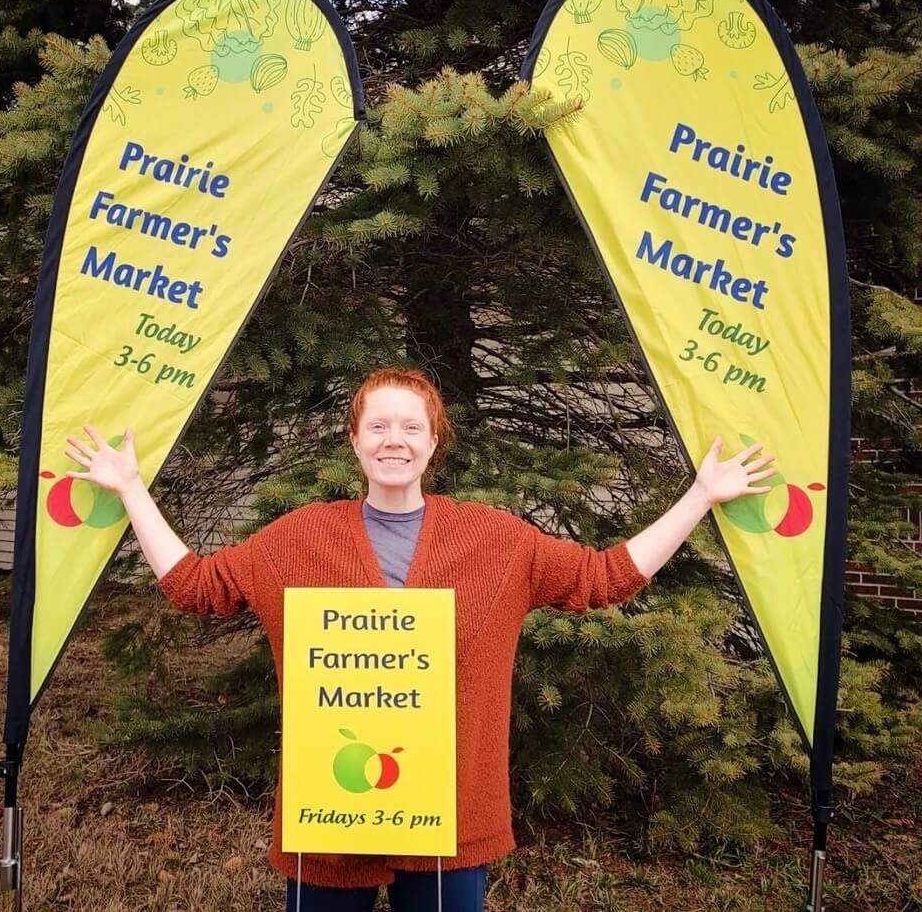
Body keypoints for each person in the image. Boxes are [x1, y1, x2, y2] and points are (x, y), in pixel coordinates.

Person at [65, 366, 774, 912]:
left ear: (434, 441)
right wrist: (131, 489)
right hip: (331, 814)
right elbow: (197, 586)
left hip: (453, 815)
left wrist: (701, 496)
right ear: (354, 440)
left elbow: (604, 576)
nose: (393, 440)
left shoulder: (496, 540)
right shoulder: (297, 538)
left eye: (410, 427)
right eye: (377, 427)